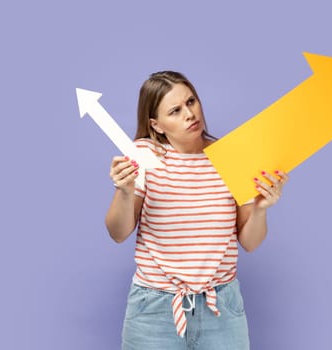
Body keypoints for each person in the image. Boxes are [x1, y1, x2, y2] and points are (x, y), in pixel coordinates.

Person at [105, 71, 288, 350]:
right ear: (157, 124)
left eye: (191, 102)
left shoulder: (232, 156)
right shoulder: (143, 155)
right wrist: (125, 191)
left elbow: (250, 242)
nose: (189, 114)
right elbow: (118, 233)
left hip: (221, 309)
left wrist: (262, 209)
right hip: (154, 310)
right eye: (175, 111)